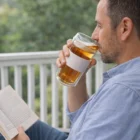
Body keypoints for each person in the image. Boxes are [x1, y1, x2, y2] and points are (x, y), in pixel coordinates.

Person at [1, 0, 140, 139]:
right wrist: (78, 77)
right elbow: (81, 119)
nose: (94, 36)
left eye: (99, 25)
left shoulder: (124, 90)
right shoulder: (127, 78)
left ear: (125, 28)